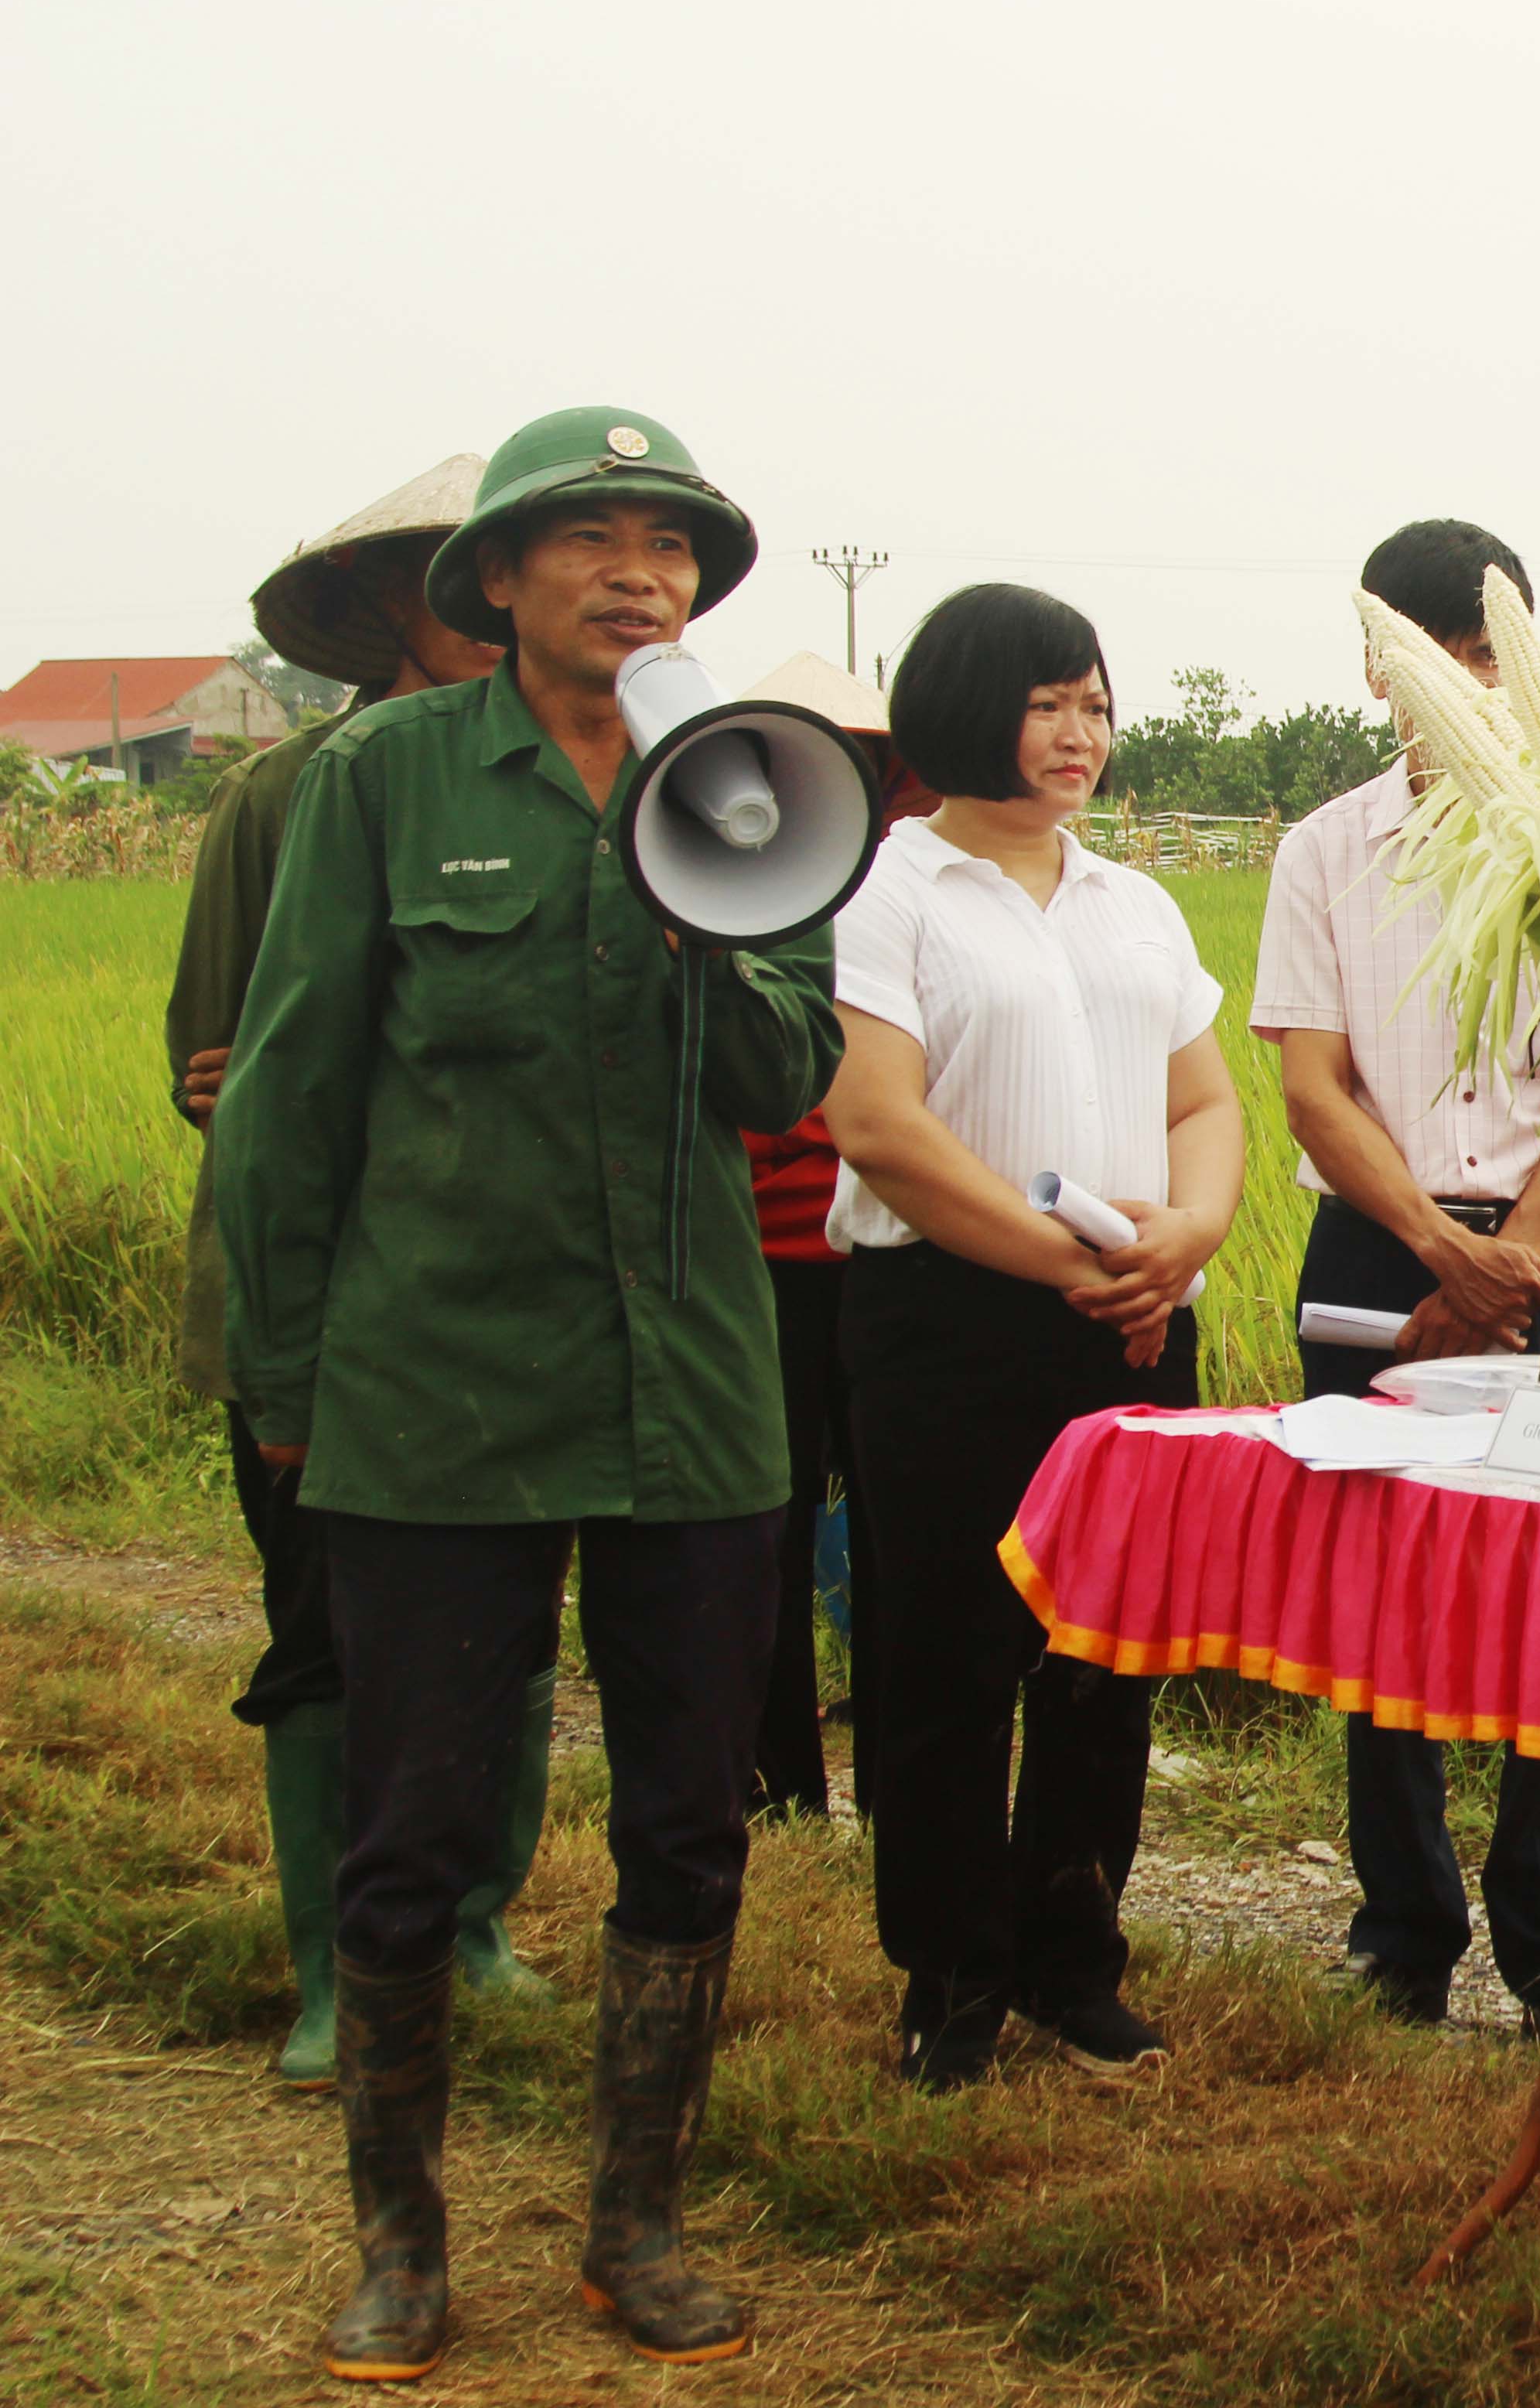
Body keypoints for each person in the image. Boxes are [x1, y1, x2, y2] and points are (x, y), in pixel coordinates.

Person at [216, 406, 839, 2377]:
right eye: (592, 538)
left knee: (686, 1825)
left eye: (672, 545)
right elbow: (295, 1088)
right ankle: (401, 2247)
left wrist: (710, 929)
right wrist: (284, 1374)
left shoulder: (752, 785)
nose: (639, 571)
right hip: (437, 1394)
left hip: (692, 1403)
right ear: (495, 579)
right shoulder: (391, 782)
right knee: (411, 1834)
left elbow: (786, 1077)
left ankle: (631, 2227)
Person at [821, 584, 1242, 2095]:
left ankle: (1076, 1960)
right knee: (946, 1660)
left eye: (1095, 705)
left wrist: (1189, 1235)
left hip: (1130, 1325)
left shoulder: (1136, 899)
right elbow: (879, 1126)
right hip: (950, 1323)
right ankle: (951, 1980)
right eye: (1045, 703)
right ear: (960, 710)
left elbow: (1204, 1101)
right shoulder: (891, 890)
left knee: (1101, 1661)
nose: (1078, 735)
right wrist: (1064, 1262)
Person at [172, 455, 559, 2091]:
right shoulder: (296, 792)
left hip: (517, 1303)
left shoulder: (610, 776)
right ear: (402, 606)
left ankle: (473, 1916)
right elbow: (221, 1072)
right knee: (329, 1631)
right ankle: (336, 1964)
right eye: (462, 577)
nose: (492, 605)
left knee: (517, 1630)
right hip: (344, 1300)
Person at [1253, 520, 1540, 2035]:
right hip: (1382, 1240)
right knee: (1375, 1584)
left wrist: (1517, 1252)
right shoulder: (1328, 848)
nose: (1472, 686)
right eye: (1441, 658)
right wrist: (1434, 1246)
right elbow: (1314, 1086)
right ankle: (1402, 1926)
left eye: (1496, 656)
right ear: (1375, 665)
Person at [732, 654, 935, 1824]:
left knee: (901, 1538)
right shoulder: (722, 883)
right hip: (762, 1263)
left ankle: (899, 1788)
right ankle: (778, 1788)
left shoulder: (917, 891)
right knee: (766, 1528)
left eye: (864, 763)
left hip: (891, 1255)